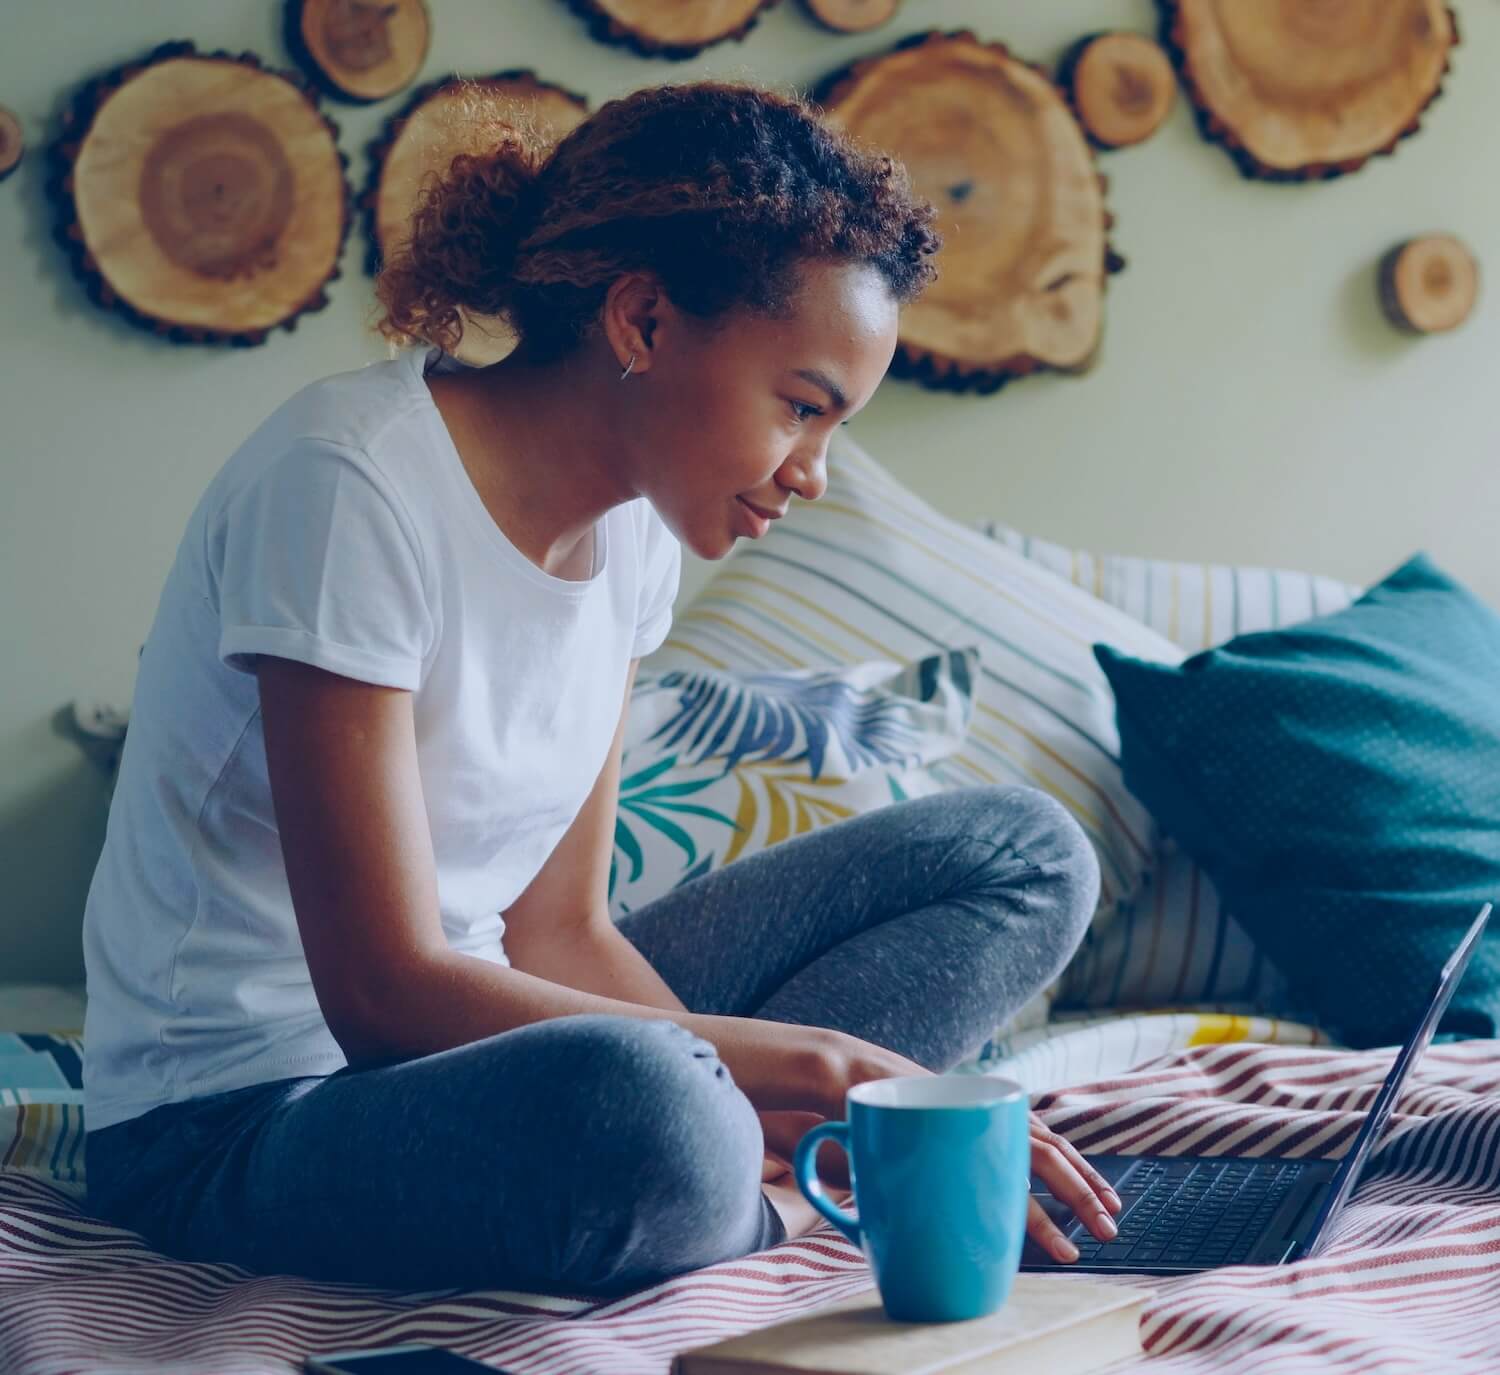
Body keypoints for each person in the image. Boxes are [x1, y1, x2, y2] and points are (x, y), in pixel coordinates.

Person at [79, 78, 1121, 1298]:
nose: (814, 474)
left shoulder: (636, 532)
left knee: (1025, 853)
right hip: (243, 1117)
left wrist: (732, 1083)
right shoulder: (346, 486)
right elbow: (378, 992)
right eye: (801, 407)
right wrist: (814, 1072)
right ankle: (775, 1185)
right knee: (650, 1114)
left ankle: (743, 1174)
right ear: (641, 321)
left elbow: (560, 929)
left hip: (495, 1039)